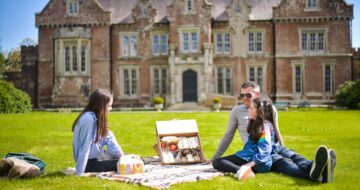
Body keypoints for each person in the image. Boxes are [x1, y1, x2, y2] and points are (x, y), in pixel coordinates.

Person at [212, 81, 336, 183]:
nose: (244, 98)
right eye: (242, 96)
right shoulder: (237, 111)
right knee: (286, 164)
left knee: (291, 156)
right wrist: (215, 156)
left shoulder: (269, 110)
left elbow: (276, 132)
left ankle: (314, 167)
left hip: (270, 147)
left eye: (248, 95)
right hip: (254, 151)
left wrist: (281, 150)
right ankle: (317, 172)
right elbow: (228, 135)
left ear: (257, 95)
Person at [212, 97, 280, 179]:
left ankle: (245, 172)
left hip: (258, 163)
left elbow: (265, 151)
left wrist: (249, 165)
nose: (248, 110)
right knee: (219, 162)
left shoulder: (265, 127)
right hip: (251, 157)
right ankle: (243, 170)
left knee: (218, 162)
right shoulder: (256, 123)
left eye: (251, 108)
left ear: (259, 111)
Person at [72, 89, 124, 176]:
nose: (110, 109)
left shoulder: (99, 118)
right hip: (89, 164)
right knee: (122, 164)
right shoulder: (88, 119)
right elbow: (85, 146)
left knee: (133, 159)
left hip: (98, 157)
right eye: (109, 106)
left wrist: (123, 156)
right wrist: (80, 172)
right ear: (101, 106)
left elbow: (110, 138)